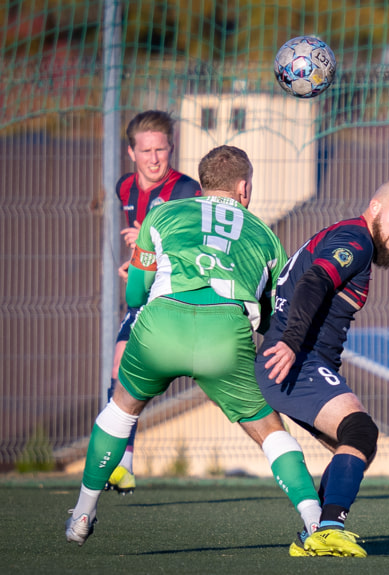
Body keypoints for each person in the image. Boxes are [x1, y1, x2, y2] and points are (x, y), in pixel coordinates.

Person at [65, 146, 323, 547]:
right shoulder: (267, 237)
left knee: (121, 409)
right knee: (268, 428)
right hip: (226, 334)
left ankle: (83, 513)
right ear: (244, 187)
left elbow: (135, 294)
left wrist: (144, 280)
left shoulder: (164, 212)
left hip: (162, 326)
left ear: (202, 185)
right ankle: (314, 521)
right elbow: (276, 318)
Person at [256, 179, 389, 557]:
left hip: (298, 360)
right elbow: (314, 280)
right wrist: (291, 342)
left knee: (353, 446)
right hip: (296, 362)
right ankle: (329, 527)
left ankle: (313, 533)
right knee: (360, 430)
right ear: (375, 207)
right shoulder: (357, 241)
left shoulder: (345, 234)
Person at [107, 110, 202, 495]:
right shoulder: (124, 188)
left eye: (160, 149)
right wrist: (137, 265)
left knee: (236, 397)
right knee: (119, 364)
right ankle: (123, 462)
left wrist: (148, 255)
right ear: (131, 152)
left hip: (182, 299)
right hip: (147, 298)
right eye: (145, 150)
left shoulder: (187, 192)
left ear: (171, 149)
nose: (153, 158)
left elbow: (195, 252)